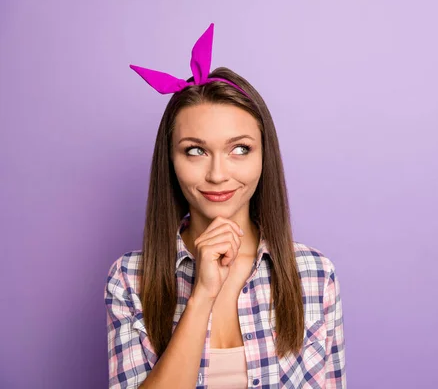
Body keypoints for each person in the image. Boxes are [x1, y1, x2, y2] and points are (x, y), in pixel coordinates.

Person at [104, 23, 346, 388]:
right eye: (196, 150)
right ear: (170, 160)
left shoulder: (314, 276)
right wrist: (202, 294)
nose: (218, 174)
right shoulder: (129, 279)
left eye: (239, 149)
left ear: (265, 156)